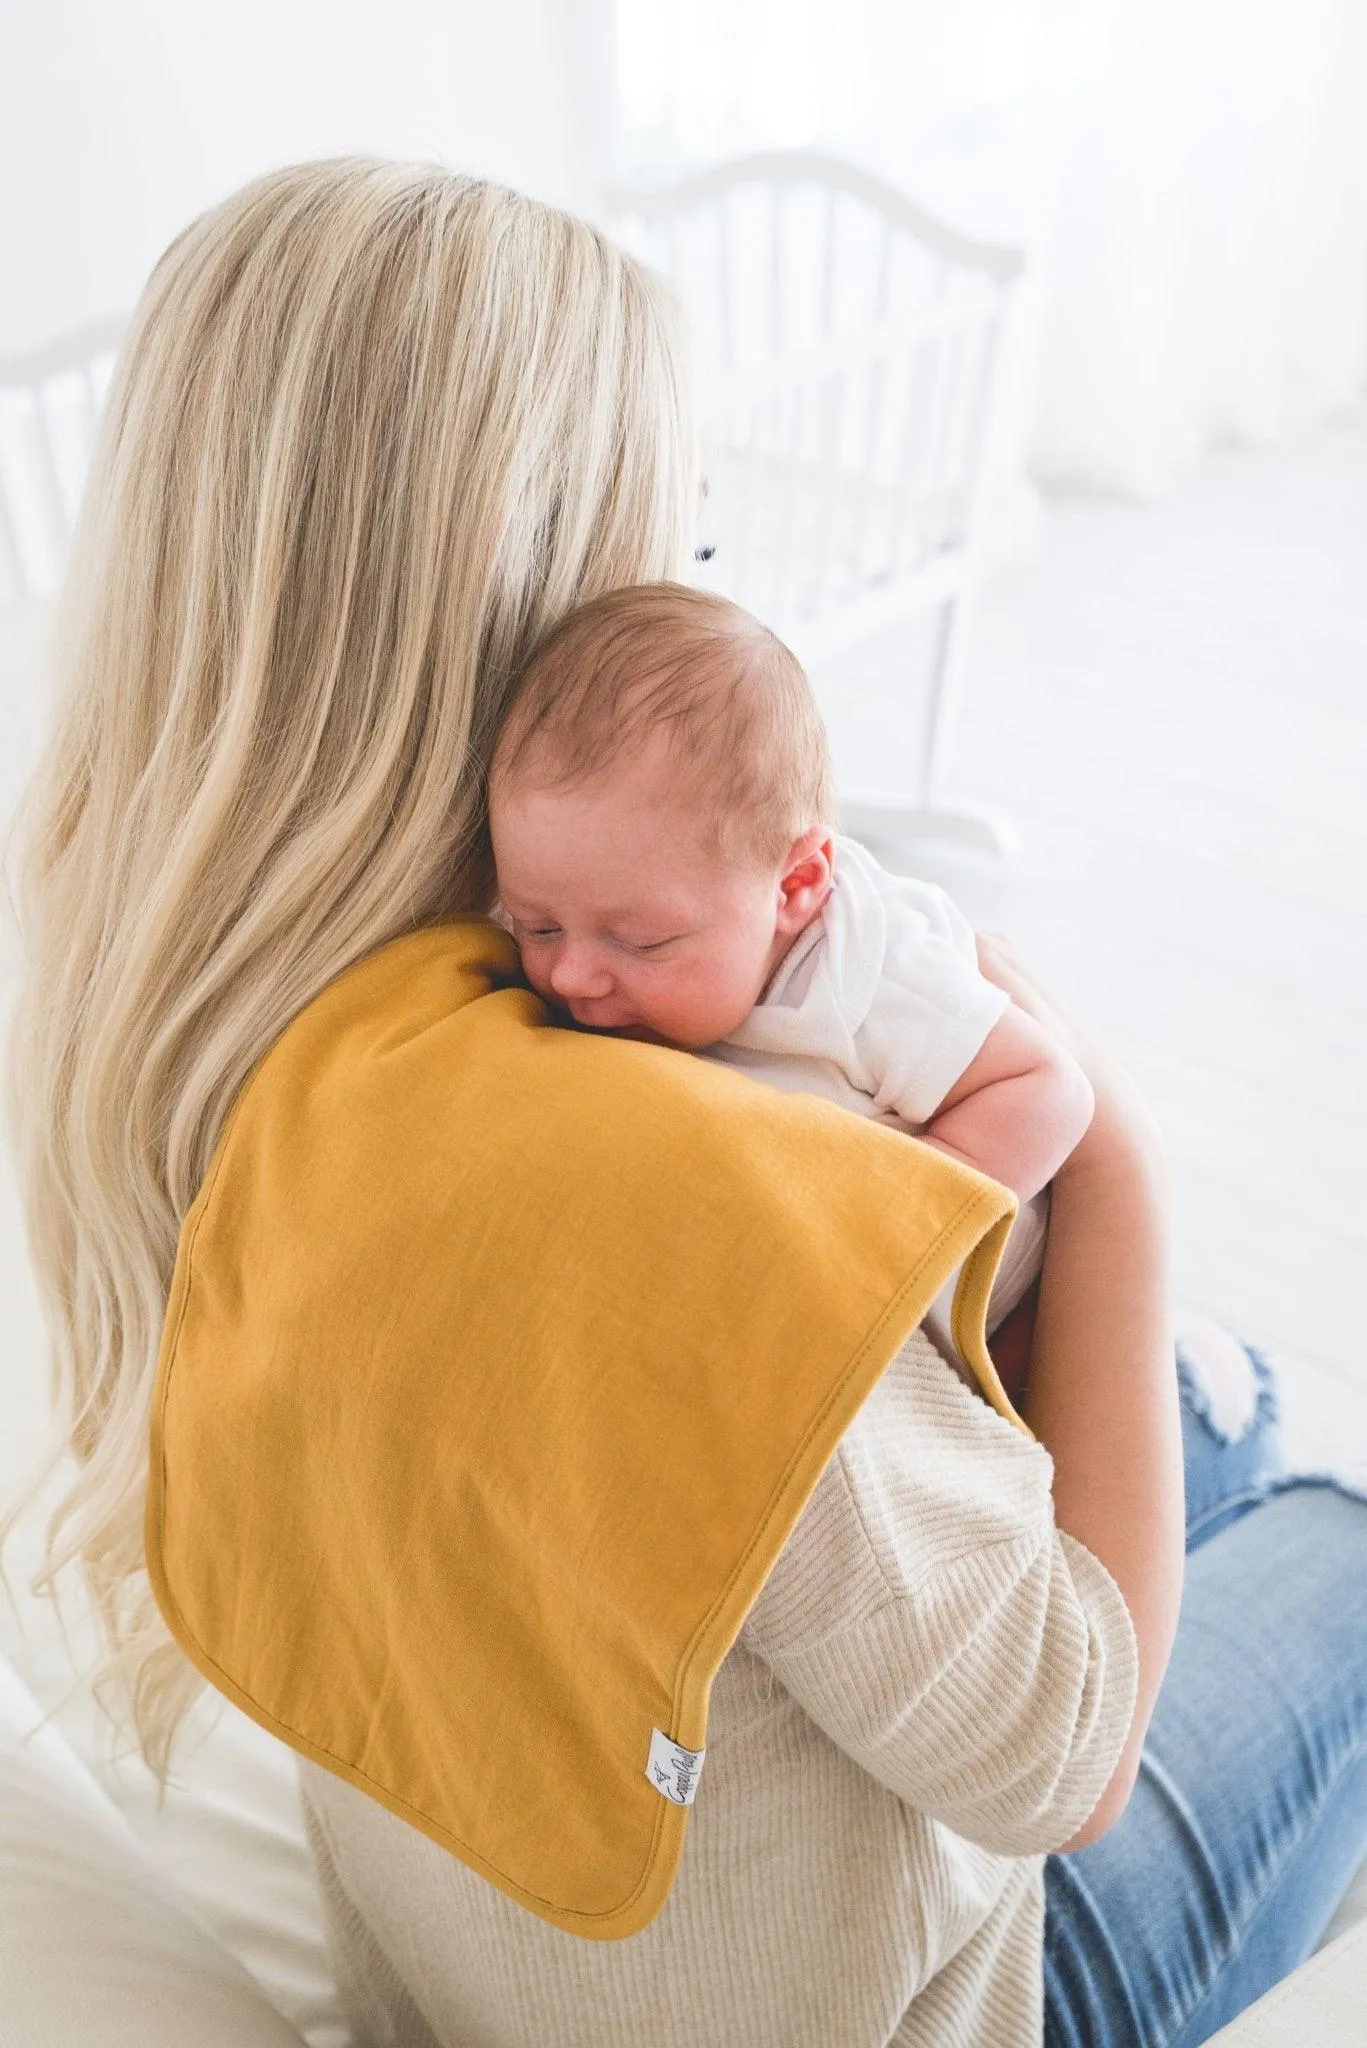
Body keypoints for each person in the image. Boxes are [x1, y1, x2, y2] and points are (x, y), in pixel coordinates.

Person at [3, 155, 1365, 2048]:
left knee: (1179, 1428)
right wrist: (1114, 1152)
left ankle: (1208, 1424)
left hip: (465, 1968)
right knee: (1329, 1520)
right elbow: (1066, 1761)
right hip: (890, 1998)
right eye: (682, 547)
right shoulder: (676, 1205)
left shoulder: (198, 1037)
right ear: (525, 595)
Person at [486, 578, 1094, 1365]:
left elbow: (1050, 1090)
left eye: (640, 943)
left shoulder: (869, 974)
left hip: (1004, 1317)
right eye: (536, 925)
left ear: (795, 888)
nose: (570, 975)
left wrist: (901, 1219)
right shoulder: (605, 891)